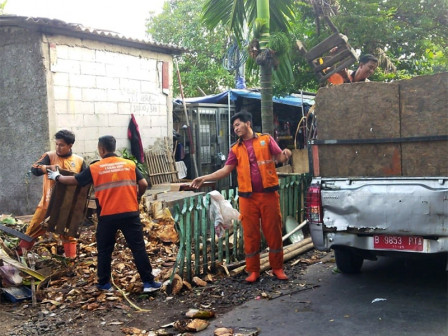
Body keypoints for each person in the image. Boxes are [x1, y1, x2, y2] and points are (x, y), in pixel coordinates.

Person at [47, 135, 161, 293]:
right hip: (130, 213)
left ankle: (104, 284)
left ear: (101, 149)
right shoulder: (129, 164)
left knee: (105, 250)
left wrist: (57, 177)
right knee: (138, 248)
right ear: (114, 148)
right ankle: (149, 283)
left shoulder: (95, 168)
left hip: (107, 216)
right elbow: (143, 184)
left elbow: (76, 181)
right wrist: (137, 197)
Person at [191, 111, 292, 283]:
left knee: (273, 231)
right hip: (247, 198)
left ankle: (277, 268)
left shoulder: (266, 140)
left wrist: (286, 153)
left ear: (248, 123)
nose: (235, 128)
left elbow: (279, 157)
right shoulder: (235, 149)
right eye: (234, 126)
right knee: (250, 234)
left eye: (238, 124)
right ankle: (253, 270)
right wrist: (204, 177)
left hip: (268, 194)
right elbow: (225, 170)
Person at [18, 129, 85, 258]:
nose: (58, 147)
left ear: (70, 146)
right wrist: (48, 167)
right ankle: (19, 256)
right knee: (32, 230)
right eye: (57, 144)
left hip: (67, 206)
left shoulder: (79, 161)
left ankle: (70, 263)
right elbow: (34, 169)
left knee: (68, 234)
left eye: (62, 145)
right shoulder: (50, 156)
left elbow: (85, 180)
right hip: (47, 204)